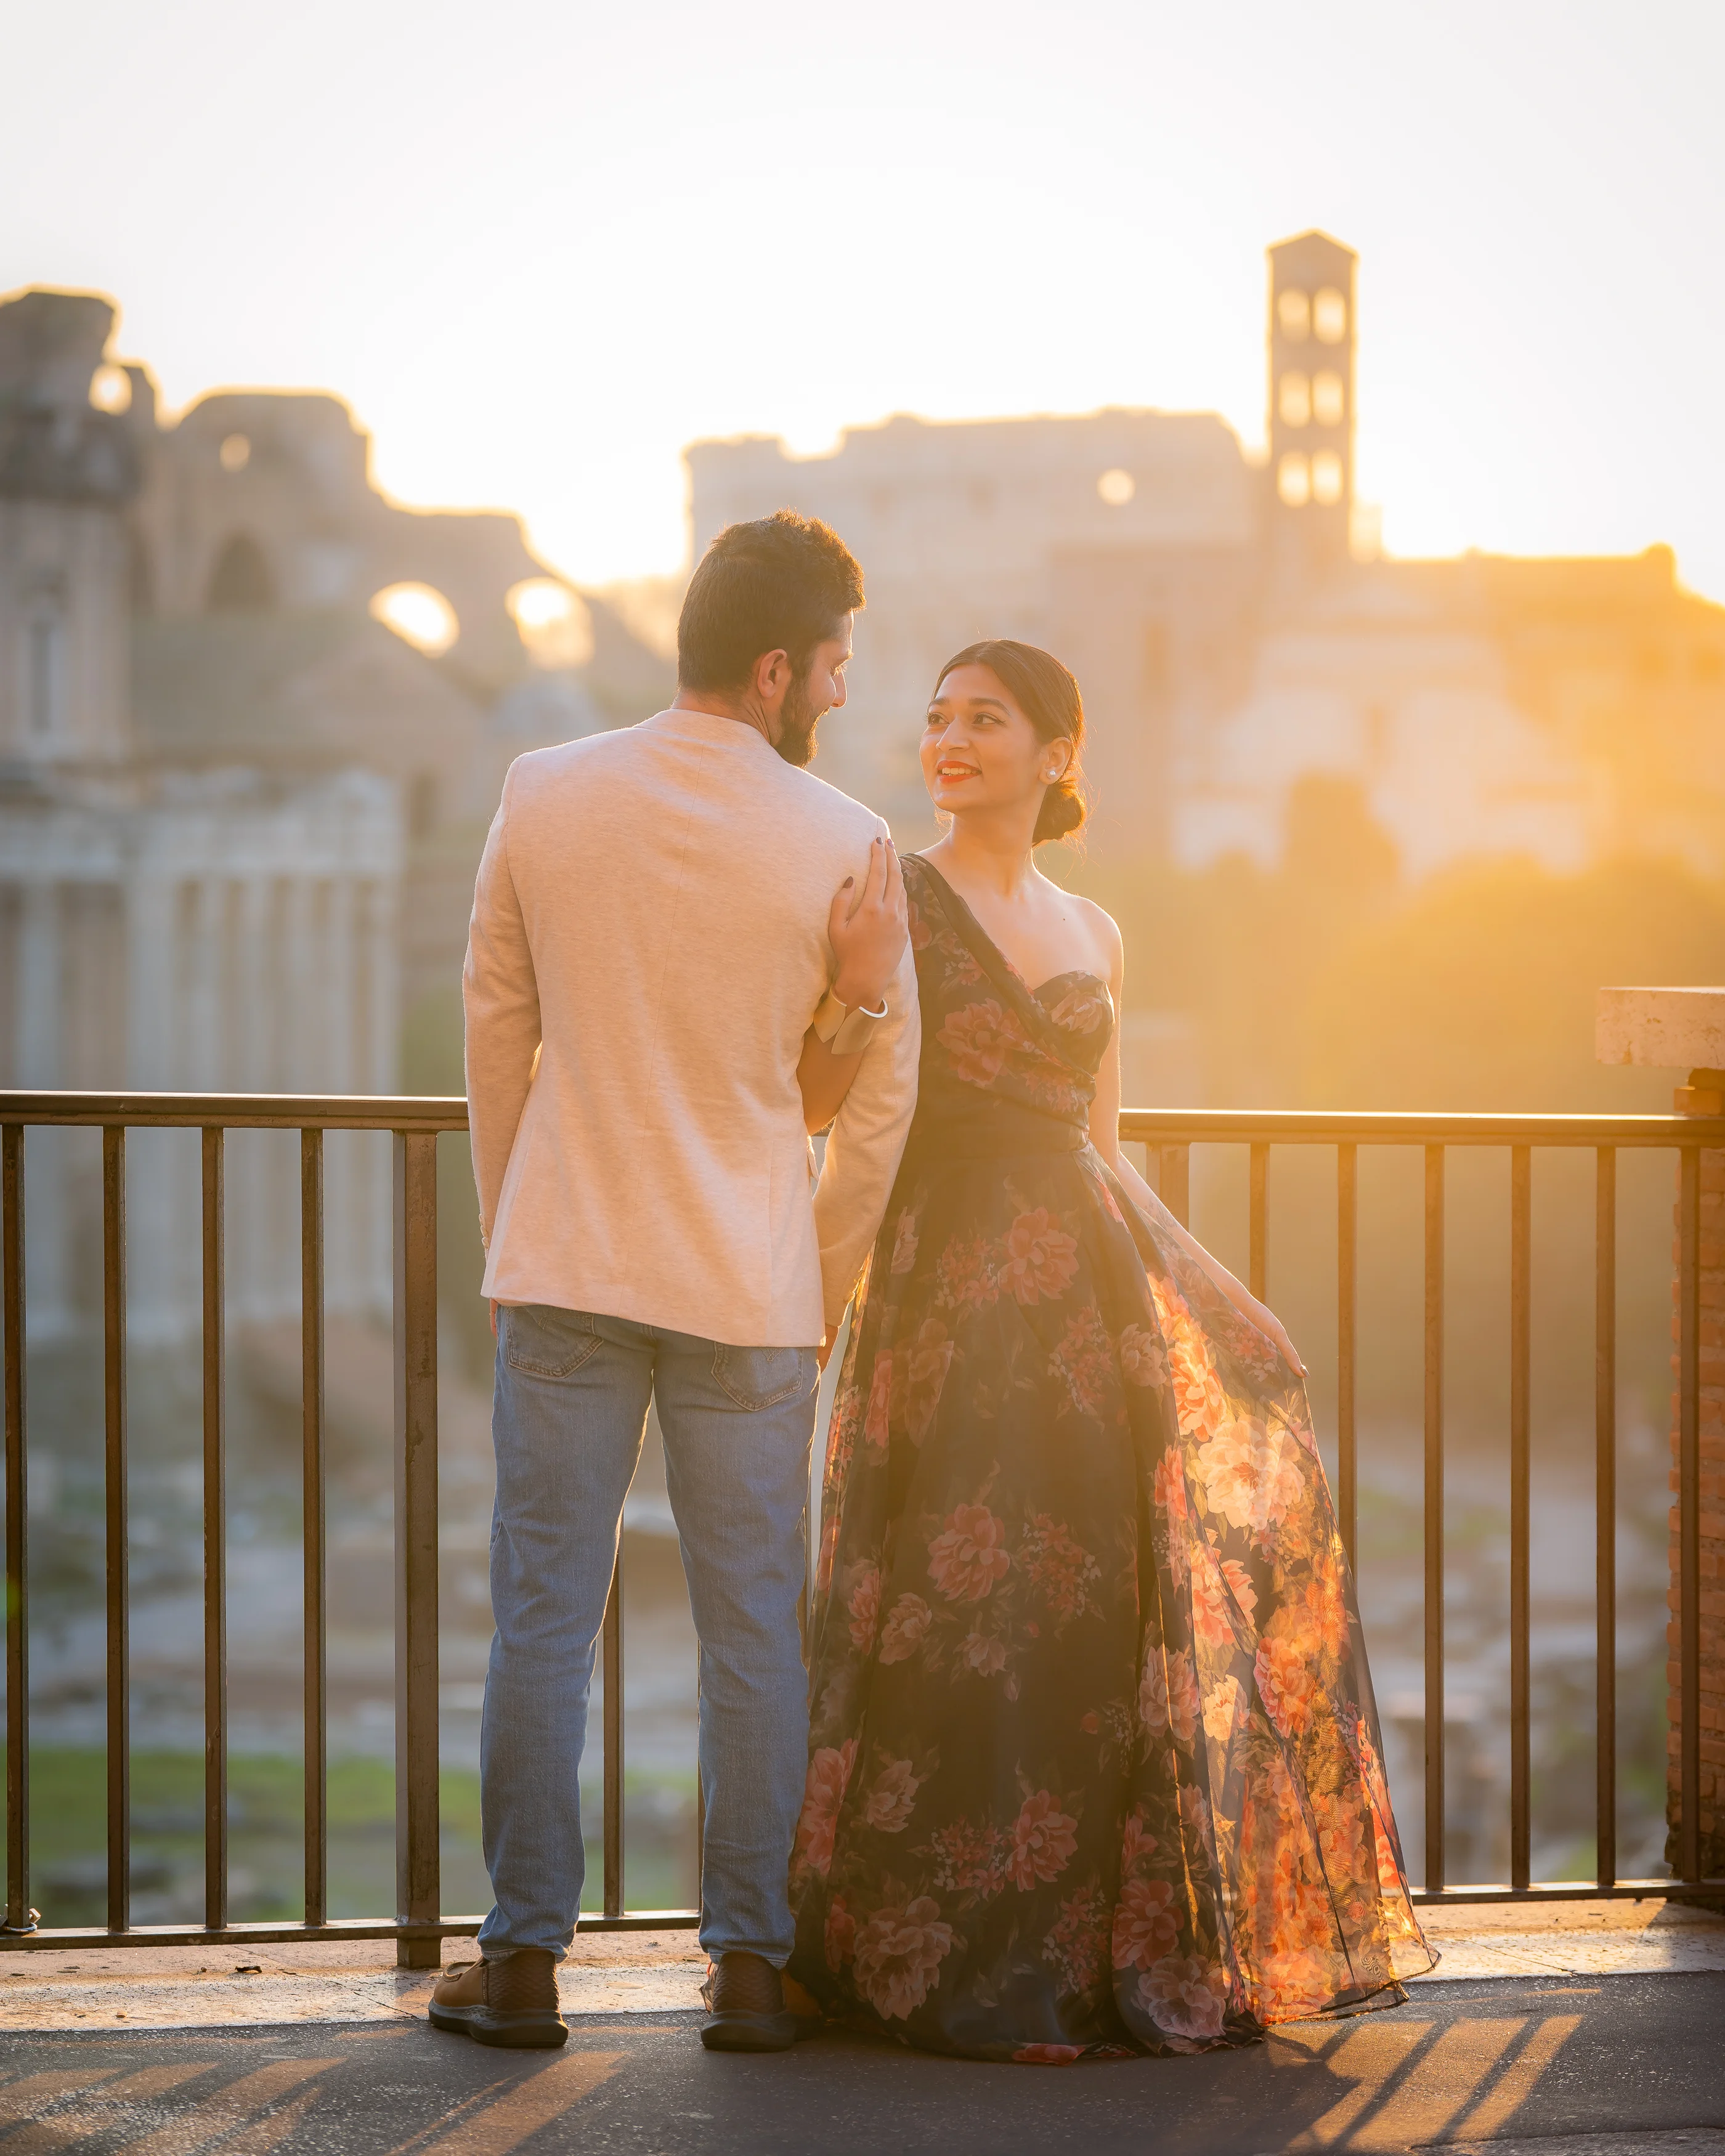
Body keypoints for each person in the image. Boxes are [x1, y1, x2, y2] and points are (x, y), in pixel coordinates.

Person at [789, 639, 1433, 2061]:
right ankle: (934, 1951)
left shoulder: (1096, 929)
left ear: (1057, 752)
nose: (949, 739)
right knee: (951, 1618)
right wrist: (842, 994)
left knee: (1083, 1623)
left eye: (985, 719)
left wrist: (1214, 1291)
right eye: (938, 716)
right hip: (945, 1297)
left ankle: (1083, 1946)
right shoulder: (890, 888)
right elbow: (821, 1091)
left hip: (1085, 1311)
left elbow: (1106, 1151)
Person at [435, 511, 920, 2054]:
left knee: (538, 1621)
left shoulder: (542, 791)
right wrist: (819, 1274)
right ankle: (751, 1967)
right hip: (747, 1285)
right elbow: (860, 1105)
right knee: (753, 1634)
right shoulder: (845, 842)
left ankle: (518, 1965)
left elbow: (495, 1031)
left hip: (566, 1258)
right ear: (775, 665)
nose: (840, 694)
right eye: (834, 665)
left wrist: (515, 1229)